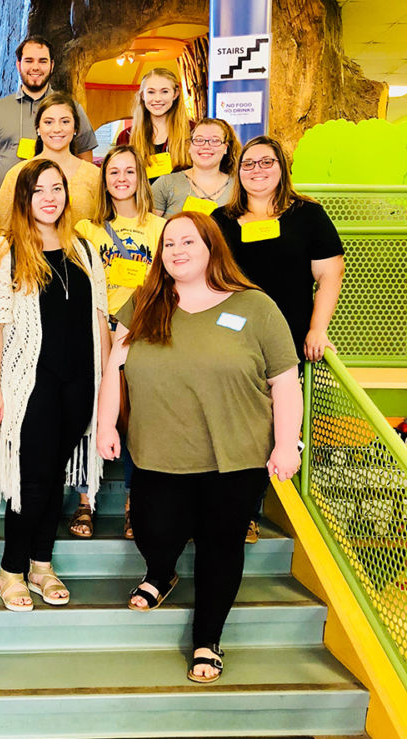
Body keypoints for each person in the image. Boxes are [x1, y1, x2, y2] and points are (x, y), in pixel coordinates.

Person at [96, 211, 302, 682]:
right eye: (168, 244)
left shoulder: (256, 307)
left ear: (212, 248)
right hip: (157, 451)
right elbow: (114, 367)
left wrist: (286, 444)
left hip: (235, 455)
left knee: (221, 546)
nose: (177, 251)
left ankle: (207, 640)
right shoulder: (146, 303)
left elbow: (285, 381)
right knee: (154, 531)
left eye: (188, 241)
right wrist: (107, 424)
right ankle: (162, 570)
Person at [0, 159, 110, 611]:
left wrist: (107, 387)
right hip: (29, 383)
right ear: (24, 198)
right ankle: (11, 568)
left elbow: (100, 322)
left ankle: (41, 564)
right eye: (39, 190)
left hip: (78, 383)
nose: (50, 197)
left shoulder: (85, 250)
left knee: (54, 481)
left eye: (57, 188)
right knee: (30, 480)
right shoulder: (3, 250)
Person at [212, 135, 344, 543]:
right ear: (238, 172)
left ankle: (247, 510)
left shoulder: (308, 215)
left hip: (285, 341)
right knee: (230, 426)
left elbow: (329, 275)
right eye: (249, 164)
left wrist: (317, 328)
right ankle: (221, 507)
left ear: (282, 168)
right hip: (230, 341)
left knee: (271, 428)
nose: (257, 171)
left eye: (266, 163)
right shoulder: (221, 219)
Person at [69, 144, 166, 539]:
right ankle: (84, 501)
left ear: (140, 178)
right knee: (90, 413)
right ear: (103, 181)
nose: (121, 179)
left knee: (137, 417)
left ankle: (133, 504)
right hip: (97, 328)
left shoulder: (161, 227)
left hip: (144, 330)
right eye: (113, 172)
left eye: (129, 171)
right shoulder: (85, 230)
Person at [0, 35, 98, 214]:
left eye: (42, 61)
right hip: (9, 209)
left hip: (58, 210)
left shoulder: (71, 109)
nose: (36, 67)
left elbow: (85, 155)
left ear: (52, 65)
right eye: (29, 60)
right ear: (18, 64)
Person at [0, 92, 100, 231]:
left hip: (83, 252)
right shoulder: (16, 175)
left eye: (65, 121)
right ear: (38, 128)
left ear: (75, 128)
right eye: (48, 122)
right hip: (30, 252)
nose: (57, 129)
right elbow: (6, 230)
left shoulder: (95, 175)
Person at [116, 68, 191, 183]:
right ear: (142, 95)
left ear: (175, 94)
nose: (157, 99)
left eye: (164, 91)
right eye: (151, 92)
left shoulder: (193, 132)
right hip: (141, 200)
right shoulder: (126, 137)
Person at [153, 117, 239, 217]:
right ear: (190, 146)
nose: (206, 146)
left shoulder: (239, 187)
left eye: (215, 140)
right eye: (199, 140)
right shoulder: (166, 183)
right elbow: (148, 229)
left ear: (225, 148)